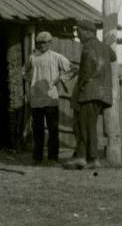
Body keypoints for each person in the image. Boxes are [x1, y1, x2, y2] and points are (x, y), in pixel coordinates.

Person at [65, 21, 117, 169]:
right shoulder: (103, 47)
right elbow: (112, 57)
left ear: (87, 32)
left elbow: (87, 70)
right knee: (90, 125)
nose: (78, 35)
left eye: (79, 31)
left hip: (88, 92)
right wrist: (104, 44)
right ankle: (89, 158)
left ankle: (86, 158)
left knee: (83, 126)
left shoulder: (87, 46)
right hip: (101, 94)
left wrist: (80, 87)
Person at [24, 31, 72, 164]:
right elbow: (25, 72)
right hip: (36, 99)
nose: (41, 45)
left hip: (51, 98)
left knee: (53, 129)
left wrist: (60, 79)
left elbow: (71, 69)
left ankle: (52, 158)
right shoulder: (32, 58)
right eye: (39, 42)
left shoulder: (56, 57)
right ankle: (37, 157)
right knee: (37, 130)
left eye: (44, 42)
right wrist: (32, 82)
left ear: (50, 43)